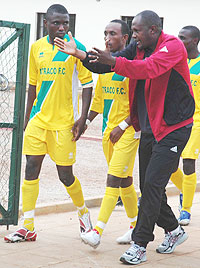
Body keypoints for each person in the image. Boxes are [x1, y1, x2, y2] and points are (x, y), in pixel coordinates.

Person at [54, 10, 195, 265]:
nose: (135, 36)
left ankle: (139, 244)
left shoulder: (171, 46)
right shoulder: (137, 47)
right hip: (150, 126)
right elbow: (106, 65)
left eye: (138, 31)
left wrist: (114, 62)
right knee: (148, 186)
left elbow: (148, 69)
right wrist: (81, 55)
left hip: (175, 126)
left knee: (151, 186)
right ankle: (174, 230)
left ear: (153, 30)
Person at [4, 4, 93, 243]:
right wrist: (26, 121)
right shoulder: (36, 48)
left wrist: (82, 118)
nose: (62, 28)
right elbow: (32, 85)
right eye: (57, 23)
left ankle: (84, 214)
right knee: (31, 168)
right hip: (38, 120)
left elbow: (87, 85)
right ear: (46, 23)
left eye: (66, 23)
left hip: (64, 124)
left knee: (65, 175)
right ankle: (28, 226)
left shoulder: (76, 48)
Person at [81, 19, 140, 248]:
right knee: (125, 181)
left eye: (113, 33)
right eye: (105, 33)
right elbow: (98, 102)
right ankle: (136, 227)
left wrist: (122, 127)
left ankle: (97, 231)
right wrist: (85, 121)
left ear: (125, 38)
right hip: (109, 133)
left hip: (128, 131)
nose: (107, 38)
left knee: (113, 179)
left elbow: (139, 106)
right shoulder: (104, 66)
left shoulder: (133, 65)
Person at [170, 26, 200, 226]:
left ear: (195, 41)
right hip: (176, 120)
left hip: (196, 120)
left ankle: (186, 210)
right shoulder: (176, 62)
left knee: (188, 162)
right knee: (170, 164)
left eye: (184, 38)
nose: (179, 41)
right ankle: (185, 190)